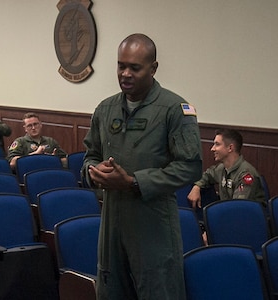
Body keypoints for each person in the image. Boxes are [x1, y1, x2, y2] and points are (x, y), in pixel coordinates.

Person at [82, 33, 203, 299]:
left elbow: (190, 167)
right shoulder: (105, 109)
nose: (125, 73)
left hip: (153, 222)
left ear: (153, 68)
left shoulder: (175, 109)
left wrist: (135, 182)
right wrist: (95, 171)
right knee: (111, 289)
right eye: (120, 65)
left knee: (159, 289)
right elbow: (89, 155)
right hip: (112, 220)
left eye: (134, 68)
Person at [187, 128, 265, 208]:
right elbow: (207, 175)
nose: (212, 149)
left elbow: (238, 206)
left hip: (246, 217)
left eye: (217, 144)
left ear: (230, 148)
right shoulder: (221, 168)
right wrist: (197, 187)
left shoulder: (246, 174)